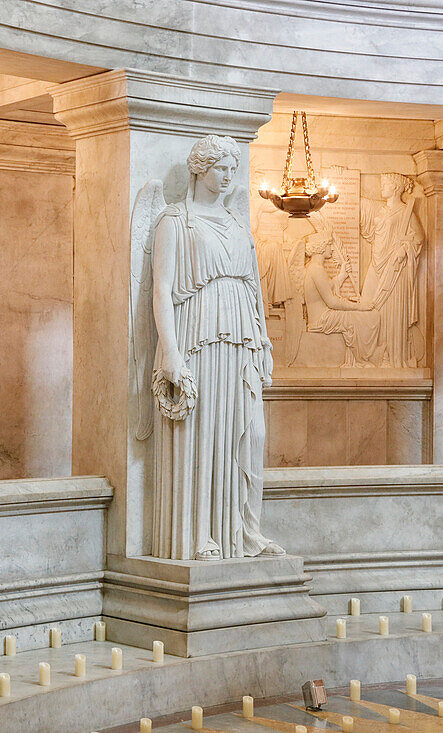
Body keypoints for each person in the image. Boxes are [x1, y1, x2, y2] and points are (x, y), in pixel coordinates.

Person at [150, 135, 284, 561]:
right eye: (221, 167)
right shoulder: (176, 221)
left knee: (247, 432)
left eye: (233, 168)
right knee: (203, 433)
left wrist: (261, 340)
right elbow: (160, 291)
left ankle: (243, 532)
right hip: (198, 336)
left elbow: (254, 288)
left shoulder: (237, 224)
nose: (229, 176)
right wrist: (169, 351)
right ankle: (200, 535)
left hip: (240, 337)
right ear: (200, 169)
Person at [360, 172, 424, 367]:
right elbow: (360, 204)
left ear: (396, 187)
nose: (382, 188)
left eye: (385, 184)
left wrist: (404, 250)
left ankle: (393, 357)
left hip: (395, 270)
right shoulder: (380, 211)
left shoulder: (406, 212)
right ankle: (371, 354)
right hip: (376, 265)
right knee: (367, 307)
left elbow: (419, 237)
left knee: (392, 312)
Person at [301, 232, 380, 366]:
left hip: (325, 315)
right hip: (322, 319)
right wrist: (360, 306)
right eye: (329, 245)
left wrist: (341, 275)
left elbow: (328, 286)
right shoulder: (316, 270)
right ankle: (363, 359)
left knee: (367, 315)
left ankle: (364, 357)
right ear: (321, 247)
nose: (331, 249)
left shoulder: (314, 268)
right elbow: (332, 302)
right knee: (369, 317)